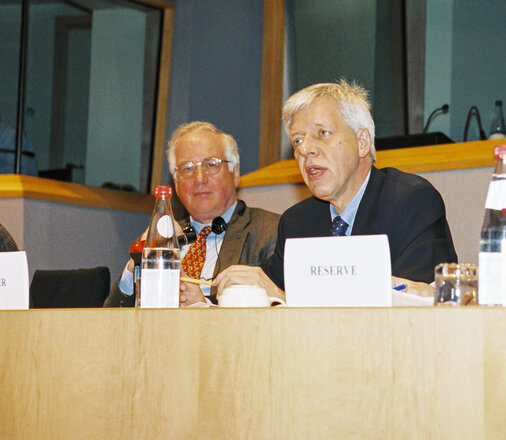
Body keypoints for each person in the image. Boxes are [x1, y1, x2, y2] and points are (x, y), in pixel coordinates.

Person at [219, 80, 457, 295]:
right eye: (297, 141)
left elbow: (403, 303)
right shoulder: (298, 222)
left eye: (322, 133)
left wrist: (284, 299)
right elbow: (268, 290)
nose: (305, 150)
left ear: (362, 142)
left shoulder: (412, 201)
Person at [104, 121, 280, 307]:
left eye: (211, 165)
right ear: (176, 182)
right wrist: (138, 263)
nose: (199, 179)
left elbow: (281, 318)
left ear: (235, 173)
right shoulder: (164, 239)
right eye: (187, 168)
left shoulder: (270, 231)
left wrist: (202, 307)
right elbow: (109, 321)